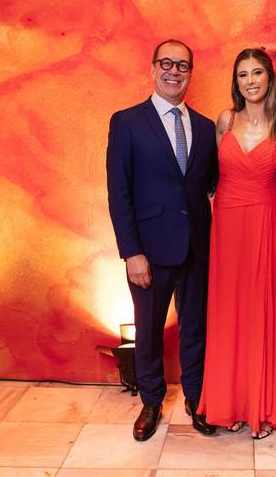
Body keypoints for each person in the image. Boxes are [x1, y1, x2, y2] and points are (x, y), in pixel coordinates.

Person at [106, 39, 218, 441]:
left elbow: (209, 185)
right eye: (166, 63)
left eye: (182, 65)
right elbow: (119, 193)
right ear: (153, 68)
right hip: (149, 251)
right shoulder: (127, 122)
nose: (174, 71)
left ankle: (196, 398)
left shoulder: (205, 127)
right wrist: (131, 252)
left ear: (190, 73)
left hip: (198, 247)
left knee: (196, 328)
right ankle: (151, 402)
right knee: (149, 330)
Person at [198, 48, 276, 439]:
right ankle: (230, 404)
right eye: (243, 75)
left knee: (261, 311)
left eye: (257, 73)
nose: (250, 81)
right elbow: (208, 174)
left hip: (267, 223)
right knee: (228, 312)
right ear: (235, 82)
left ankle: (261, 407)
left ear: (269, 78)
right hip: (226, 224)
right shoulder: (225, 120)